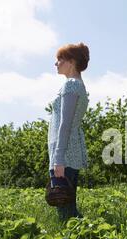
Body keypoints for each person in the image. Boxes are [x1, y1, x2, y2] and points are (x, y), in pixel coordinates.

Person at [48, 43, 89, 221]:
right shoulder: (77, 84)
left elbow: (65, 124)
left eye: (60, 59)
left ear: (71, 62)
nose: (56, 63)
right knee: (67, 205)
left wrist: (58, 158)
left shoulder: (71, 85)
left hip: (65, 153)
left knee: (64, 208)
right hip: (68, 151)